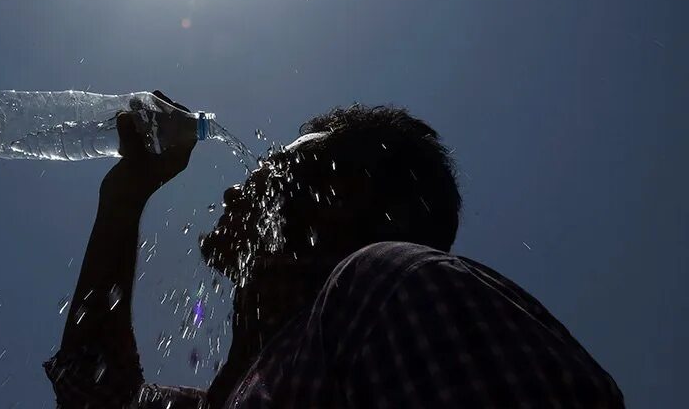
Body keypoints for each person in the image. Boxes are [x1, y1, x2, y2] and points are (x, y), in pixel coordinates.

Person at [46, 93, 624, 408]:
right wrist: (124, 196)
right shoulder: (243, 390)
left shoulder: (391, 289)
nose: (235, 189)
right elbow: (95, 391)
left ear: (346, 199)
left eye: (278, 173)